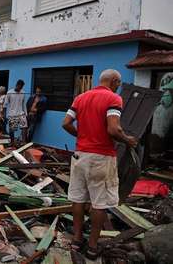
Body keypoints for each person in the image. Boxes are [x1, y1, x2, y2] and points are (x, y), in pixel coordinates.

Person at [62, 69, 138, 260]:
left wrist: (81, 136)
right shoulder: (113, 99)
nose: (118, 87)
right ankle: (93, 246)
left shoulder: (80, 98)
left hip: (80, 155)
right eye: (118, 84)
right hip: (101, 157)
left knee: (78, 199)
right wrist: (127, 140)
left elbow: (66, 123)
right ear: (113, 81)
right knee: (99, 202)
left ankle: (77, 239)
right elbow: (113, 128)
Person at [4, 80, 28, 146]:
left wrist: (26, 114)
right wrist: (4, 115)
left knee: (24, 127)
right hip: (12, 115)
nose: (20, 89)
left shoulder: (23, 93)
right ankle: (12, 142)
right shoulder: (9, 93)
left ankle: (23, 142)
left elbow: (24, 104)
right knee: (12, 130)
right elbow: (5, 105)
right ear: (17, 85)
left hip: (21, 114)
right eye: (19, 87)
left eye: (21, 87)